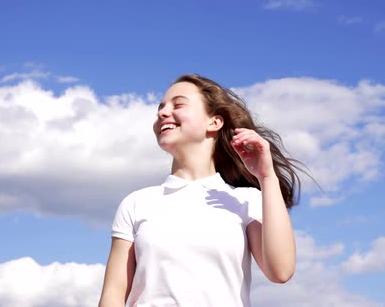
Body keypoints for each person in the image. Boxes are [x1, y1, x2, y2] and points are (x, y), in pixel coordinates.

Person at [99, 74, 302, 307]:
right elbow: (113, 295)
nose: (162, 113)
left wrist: (267, 177)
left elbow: (281, 271)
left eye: (178, 104)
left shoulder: (247, 200)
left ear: (214, 122)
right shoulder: (136, 203)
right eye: (161, 107)